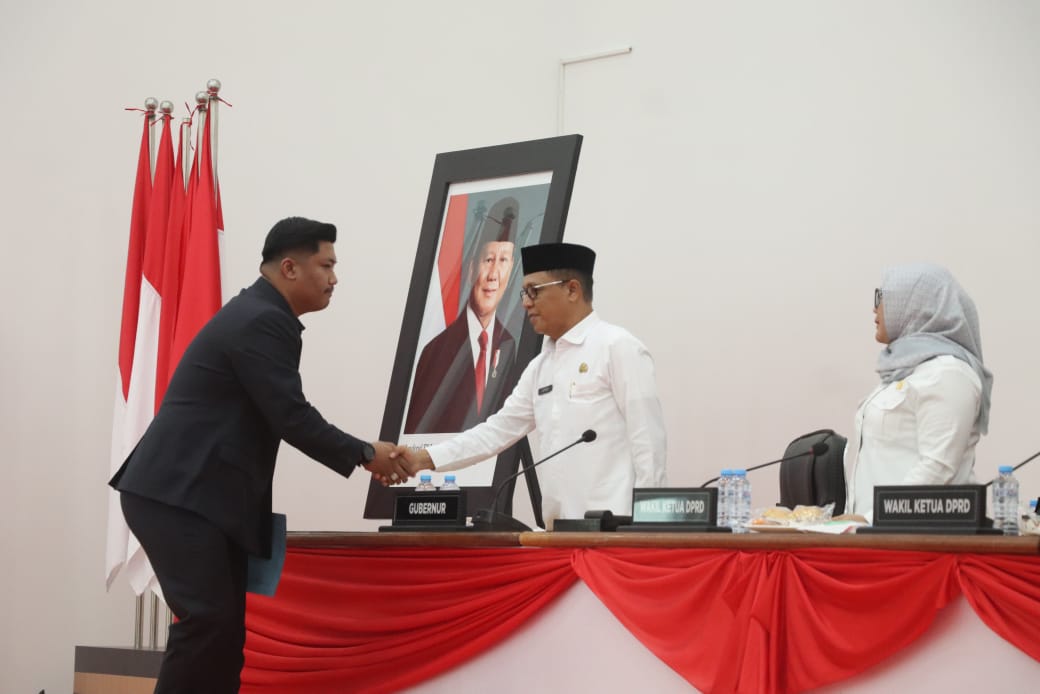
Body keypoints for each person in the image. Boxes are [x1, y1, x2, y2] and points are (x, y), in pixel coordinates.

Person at [109, 217, 410, 693]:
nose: (334, 278)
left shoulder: (260, 313)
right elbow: (291, 416)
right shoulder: (262, 320)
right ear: (289, 268)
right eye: (326, 265)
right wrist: (364, 452)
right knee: (207, 623)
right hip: (177, 496)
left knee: (224, 635)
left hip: (198, 499)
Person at [398, 242, 668, 525]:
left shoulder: (618, 347)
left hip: (615, 532)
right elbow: (496, 432)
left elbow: (649, 445)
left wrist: (650, 528)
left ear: (572, 290)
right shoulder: (540, 367)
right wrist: (422, 458)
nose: (526, 303)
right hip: (558, 535)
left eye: (534, 291)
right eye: (524, 293)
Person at [844, 263, 993, 517]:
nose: (875, 308)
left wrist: (874, 520)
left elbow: (937, 468)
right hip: (873, 531)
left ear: (915, 305)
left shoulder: (948, 374)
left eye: (882, 297)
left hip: (915, 535)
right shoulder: (902, 374)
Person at [404, 196, 521, 434]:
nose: (494, 275)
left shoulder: (511, 346)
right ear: (471, 270)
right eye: (488, 260)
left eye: (503, 261)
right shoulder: (436, 350)